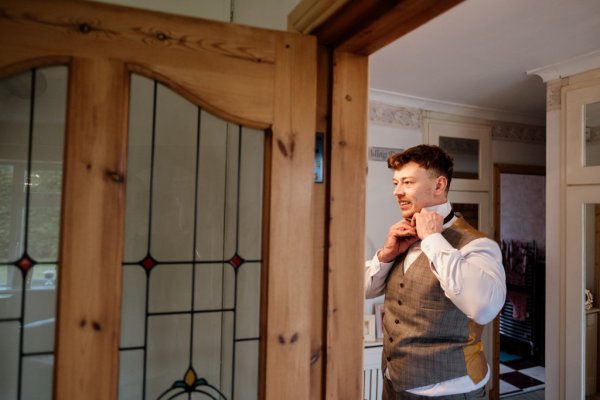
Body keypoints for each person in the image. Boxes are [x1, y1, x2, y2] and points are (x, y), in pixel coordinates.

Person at [365, 144, 506, 399]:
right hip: (393, 383)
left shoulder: (478, 244)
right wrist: (385, 256)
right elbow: (364, 290)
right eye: (396, 183)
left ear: (439, 186)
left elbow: (485, 309)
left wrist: (433, 239)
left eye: (407, 182)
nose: (397, 192)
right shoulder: (401, 238)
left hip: (450, 389)